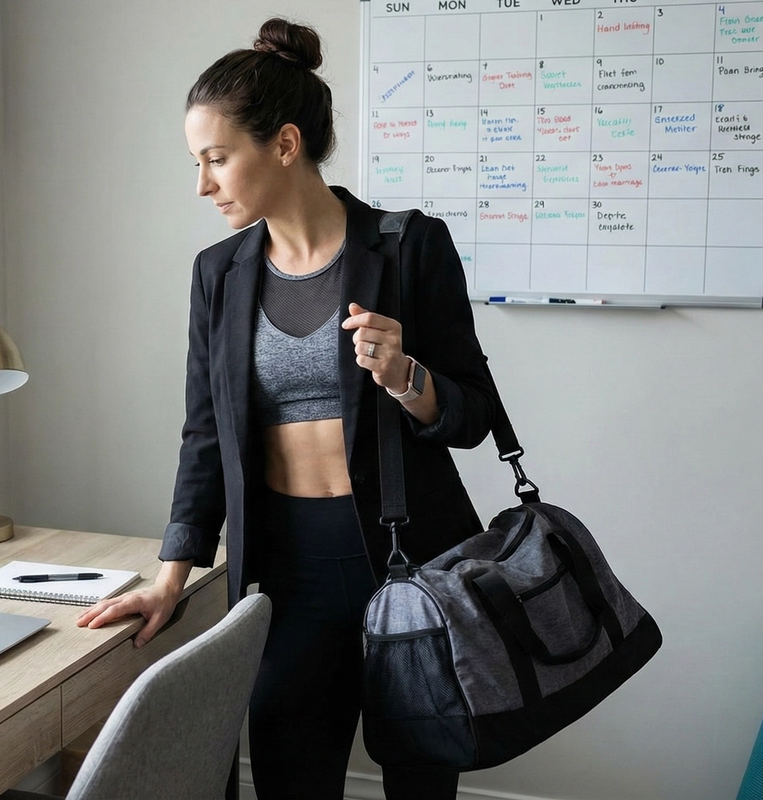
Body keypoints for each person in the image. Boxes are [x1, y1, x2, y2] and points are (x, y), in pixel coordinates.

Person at [77, 17, 497, 800]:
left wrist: (405, 375)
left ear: (284, 144)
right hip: (283, 568)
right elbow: (204, 435)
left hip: (408, 561)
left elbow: (472, 416)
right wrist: (172, 577)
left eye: (216, 159)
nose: (203, 183)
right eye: (197, 162)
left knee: (420, 781)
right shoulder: (219, 274)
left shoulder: (409, 248)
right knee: (287, 779)